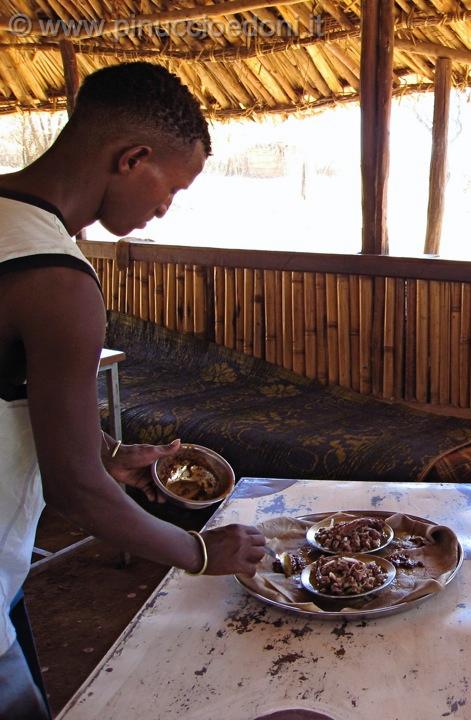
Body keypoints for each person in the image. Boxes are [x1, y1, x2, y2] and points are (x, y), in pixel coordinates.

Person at [0, 62, 265, 719]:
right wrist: (201, 551)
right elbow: (72, 491)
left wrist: (106, 450)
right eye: (169, 188)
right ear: (132, 158)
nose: (161, 210)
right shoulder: (57, 283)